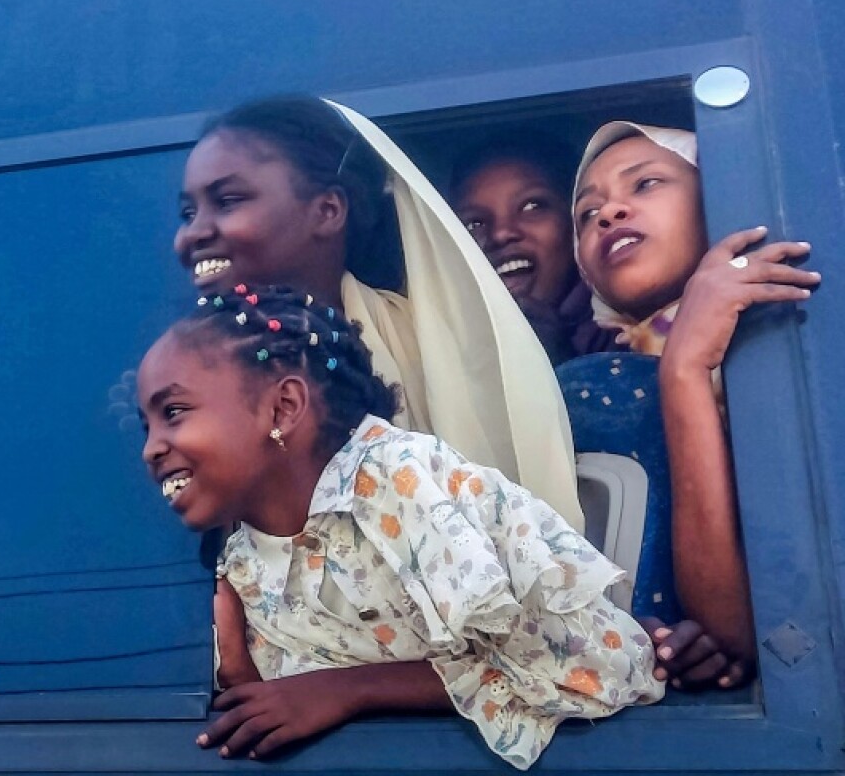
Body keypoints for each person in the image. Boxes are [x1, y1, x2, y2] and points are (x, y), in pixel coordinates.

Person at [137, 286, 663, 770]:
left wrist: (352, 690)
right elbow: (274, 717)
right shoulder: (241, 566)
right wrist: (237, 671)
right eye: (147, 424)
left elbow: (594, 664)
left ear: (284, 406)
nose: (151, 447)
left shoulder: (404, 483)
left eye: (175, 412)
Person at [175, 96, 583, 530]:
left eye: (228, 200)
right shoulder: (196, 374)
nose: (194, 233)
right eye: (187, 212)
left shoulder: (444, 351)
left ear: (328, 211)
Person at [571, 122, 821, 689]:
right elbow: (734, 628)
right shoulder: (588, 391)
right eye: (588, 213)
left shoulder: (786, 336)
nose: (610, 213)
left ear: (719, 200)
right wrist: (682, 368)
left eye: (645, 184)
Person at [450, 133, 620, 363]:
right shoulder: (445, 349)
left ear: (577, 221)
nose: (501, 233)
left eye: (532, 206)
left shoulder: (628, 333)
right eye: (474, 224)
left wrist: (555, 357)